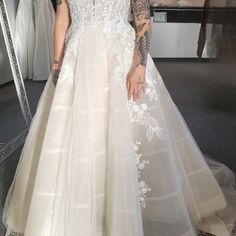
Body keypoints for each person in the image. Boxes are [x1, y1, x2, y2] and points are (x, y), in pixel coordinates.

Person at [2, 0, 236, 235]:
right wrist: (56, 62)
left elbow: (143, 18)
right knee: (80, 135)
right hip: (77, 60)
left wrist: (140, 66)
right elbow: (63, 16)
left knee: (122, 134)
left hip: (120, 61)